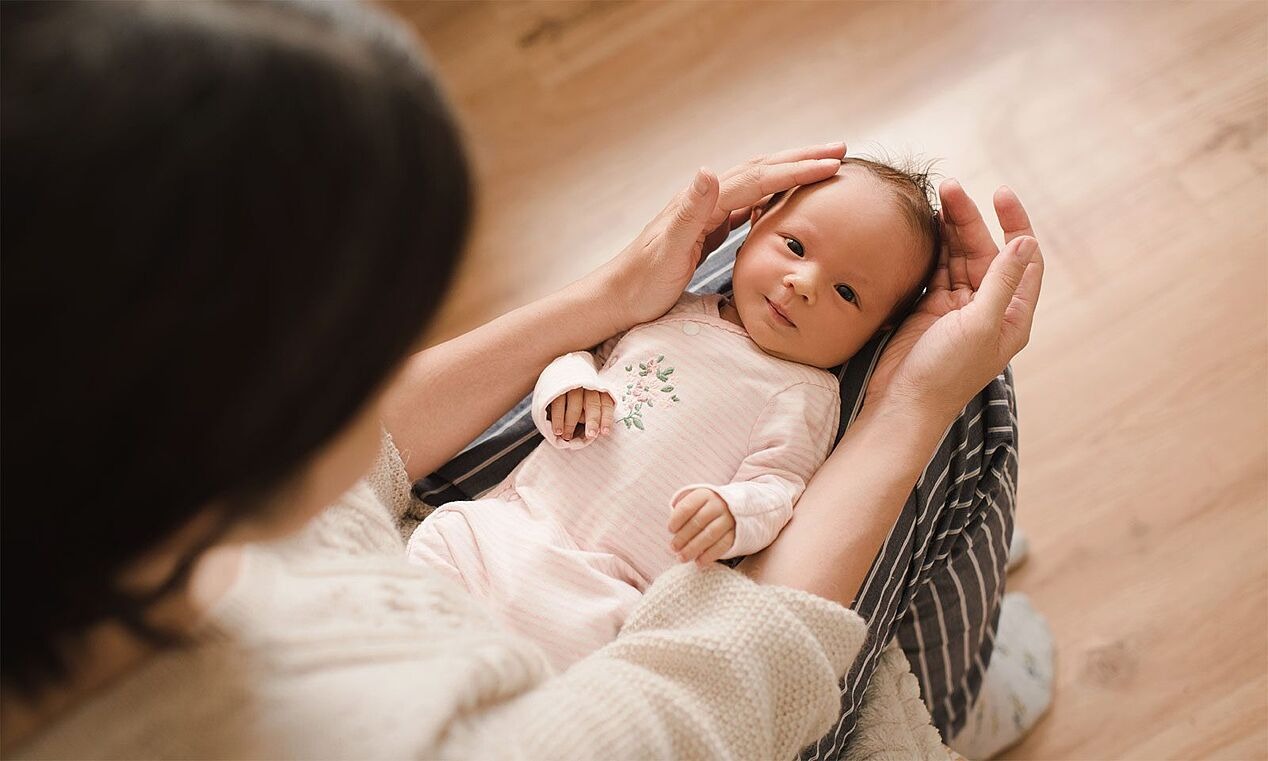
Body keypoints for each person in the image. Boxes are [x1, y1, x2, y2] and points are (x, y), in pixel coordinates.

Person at [0, 2, 1044, 759]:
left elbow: (367, 467)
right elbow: (739, 671)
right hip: (597, 617)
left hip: (532, 543)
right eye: (365, 344)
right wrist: (911, 405)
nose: (383, 375)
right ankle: (936, 700)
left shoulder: (120, 544)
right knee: (965, 416)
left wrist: (614, 294)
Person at [405, 158, 942, 671]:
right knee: (436, 550)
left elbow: (779, 489)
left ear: (874, 337)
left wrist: (731, 512)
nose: (803, 283)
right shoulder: (670, 307)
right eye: (795, 246)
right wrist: (571, 386)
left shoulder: (804, 393)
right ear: (753, 223)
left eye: (846, 293)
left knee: (562, 663)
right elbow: (583, 356)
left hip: (608, 589)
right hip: (511, 524)